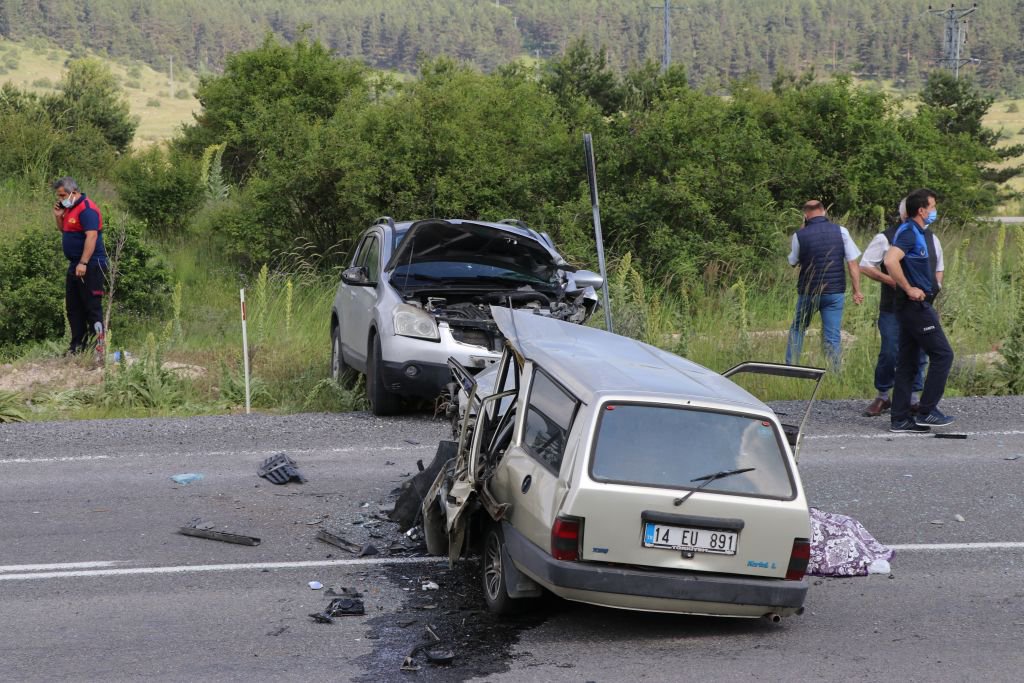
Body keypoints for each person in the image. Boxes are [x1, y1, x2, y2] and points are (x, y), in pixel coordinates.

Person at [859, 198, 943, 417]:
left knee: (920, 353)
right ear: (915, 212)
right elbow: (866, 266)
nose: (934, 212)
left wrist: (935, 286)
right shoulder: (887, 237)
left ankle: (913, 399)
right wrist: (896, 282)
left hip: (922, 305)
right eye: (931, 207)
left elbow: (939, 266)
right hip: (894, 306)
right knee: (890, 351)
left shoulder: (931, 237)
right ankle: (883, 395)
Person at [883, 188, 955, 432]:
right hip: (914, 306)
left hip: (912, 306)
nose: (935, 211)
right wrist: (908, 287)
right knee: (943, 354)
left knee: (908, 362)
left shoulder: (919, 233)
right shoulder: (909, 233)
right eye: (932, 207)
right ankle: (926, 411)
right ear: (922, 210)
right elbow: (890, 261)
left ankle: (900, 419)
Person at [785, 200, 864, 369]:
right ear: (824, 212)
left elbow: (792, 261)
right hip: (835, 292)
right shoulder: (841, 231)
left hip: (808, 292)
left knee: (798, 329)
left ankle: (791, 368)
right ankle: (835, 373)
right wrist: (857, 291)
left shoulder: (799, 235)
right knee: (832, 336)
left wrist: (802, 231)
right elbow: (852, 263)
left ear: (805, 216)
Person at [53, 176, 107, 355]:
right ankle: (78, 346)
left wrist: (83, 262)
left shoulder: (87, 209)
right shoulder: (69, 209)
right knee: (73, 307)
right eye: (59, 196)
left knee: (91, 307)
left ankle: (98, 347)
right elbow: (64, 231)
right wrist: (59, 217)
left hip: (90, 264)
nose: (61, 199)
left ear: (74, 192)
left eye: (63, 195)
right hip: (75, 264)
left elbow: (91, 237)